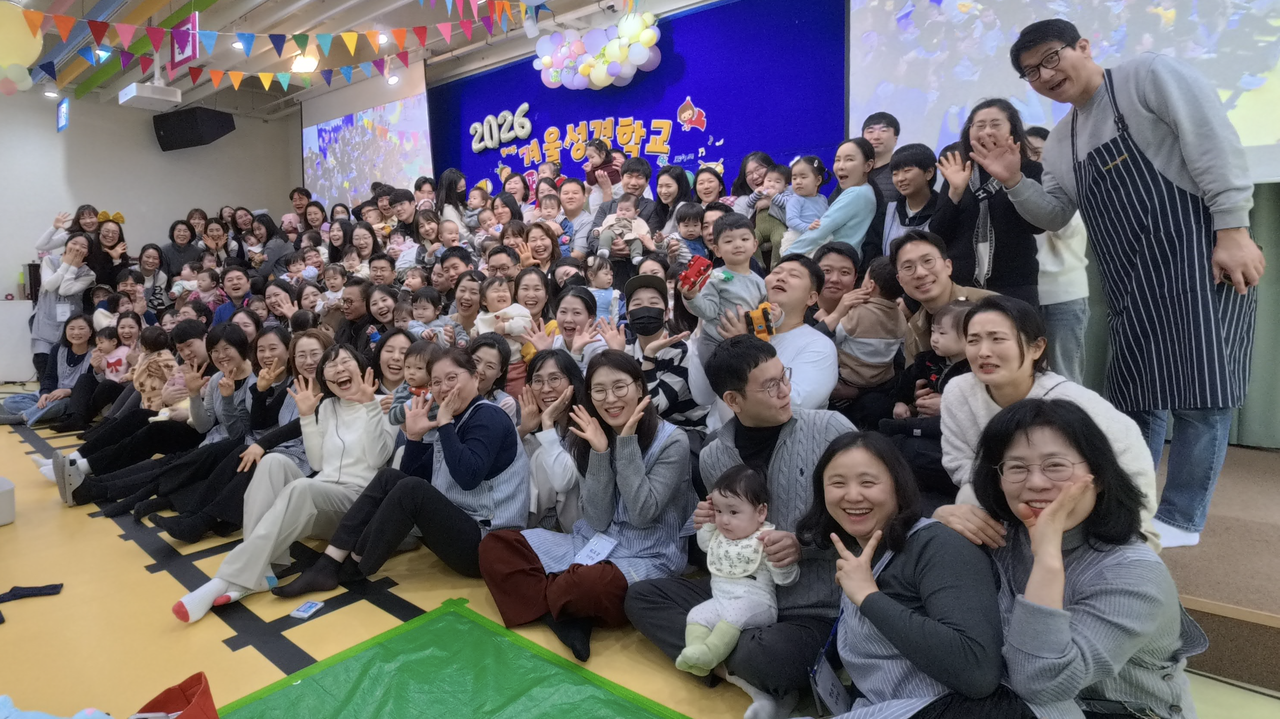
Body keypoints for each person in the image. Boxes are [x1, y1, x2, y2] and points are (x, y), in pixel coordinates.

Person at [988, 19, 1263, 546]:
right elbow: (1054, 215)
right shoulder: (1063, 139)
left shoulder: (1147, 76)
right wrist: (1014, 180)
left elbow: (1212, 141)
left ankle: (1182, 519)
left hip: (1198, 256)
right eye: (1031, 72)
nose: (1045, 75)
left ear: (1083, 47)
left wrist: (1233, 229)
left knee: (1203, 395)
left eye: (1051, 58)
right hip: (1130, 279)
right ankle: (1133, 504)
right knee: (1136, 397)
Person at [625, 336, 853, 717]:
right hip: (736, 593)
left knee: (766, 654)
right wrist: (713, 522)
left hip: (813, 609)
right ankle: (746, 676)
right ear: (733, 400)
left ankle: (734, 662)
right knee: (641, 597)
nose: (786, 391)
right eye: (770, 386)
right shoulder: (714, 456)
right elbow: (728, 536)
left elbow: (869, 517)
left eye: (784, 377)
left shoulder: (830, 430)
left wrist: (803, 546)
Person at [971, 399, 1206, 718]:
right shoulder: (1002, 535)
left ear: (1099, 475)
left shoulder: (1132, 573)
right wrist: (944, 527)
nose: (1036, 483)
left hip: (1127, 711)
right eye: (1017, 468)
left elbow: (1041, 683)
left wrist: (1047, 557)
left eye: (1055, 465)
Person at [794, 431, 1030, 717]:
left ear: (898, 485)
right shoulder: (859, 553)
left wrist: (869, 597)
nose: (853, 495)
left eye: (868, 482)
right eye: (837, 483)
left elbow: (977, 672)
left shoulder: (937, 545)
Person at [481, 350, 692, 662]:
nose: (610, 399)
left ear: (638, 387)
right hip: (591, 542)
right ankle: (563, 613)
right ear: (589, 394)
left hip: (649, 555)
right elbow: (596, 518)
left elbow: (641, 513)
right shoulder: (589, 433)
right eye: (599, 390)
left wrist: (626, 444)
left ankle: (552, 599)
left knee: (589, 584)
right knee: (495, 545)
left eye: (619, 387)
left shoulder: (672, 441)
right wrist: (600, 452)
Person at [271, 348, 528, 600]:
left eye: (452, 378)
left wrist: (444, 423)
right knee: (389, 478)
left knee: (411, 489)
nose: (444, 388)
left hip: (488, 544)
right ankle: (328, 563)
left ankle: (354, 566)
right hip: (462, 530)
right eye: (436, 382)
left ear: (475, 377)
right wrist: (414, 438)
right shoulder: (456, 419)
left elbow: (468, 477)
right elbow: (407, 480)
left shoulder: (488, 416)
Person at [173, 345, 396, 622]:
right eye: (331, 365)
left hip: (357, 504)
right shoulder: (327, 407)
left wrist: (370, 408)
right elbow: (317, 464)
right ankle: (266, 568)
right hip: (324, 492)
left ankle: (227, 578)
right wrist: (307, 417)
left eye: (346, 361)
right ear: (326, 381)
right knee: (272, 462)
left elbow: (377, 459)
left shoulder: (384, 404)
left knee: (304, 487)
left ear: (361, 367)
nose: (339, 368)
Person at [937, 295, 1158, 550]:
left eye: (997, 339)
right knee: (966, 501)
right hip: (1011, 499)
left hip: (1082, 509)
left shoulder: (1073, 403)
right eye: (973, 340)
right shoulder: (958, 391)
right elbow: (959, 461)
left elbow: (1134, 470)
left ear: (1036, 347)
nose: (984, 351)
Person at [676, 465, 798, 676]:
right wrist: (708, 523)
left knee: (735, 615)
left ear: (760, 512)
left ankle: (710, 654)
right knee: (696, 615)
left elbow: (785, 580)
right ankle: (695, 654)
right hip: (721, 602)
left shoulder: (766, 539)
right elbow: (705, 545)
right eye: (719, 511)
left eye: (733, 512)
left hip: (758, 605)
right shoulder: (720, 535)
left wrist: (781, 562)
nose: (724, 520)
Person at [932, 99, 1044, 307]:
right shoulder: (959, 170)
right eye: (980, 125)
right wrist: (955, 194)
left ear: (1012, 129)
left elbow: (1038, 226)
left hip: (1015, 283)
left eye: (995, 124)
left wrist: (1013, 181)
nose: (987, 131)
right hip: (962, 285)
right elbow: (938, 233)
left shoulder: (1029, 169)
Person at [1024, 126, 1090, 384]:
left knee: (1064, 376)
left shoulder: (1067, 186)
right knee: (1026, 377)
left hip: (1063, 295)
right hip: (1025, 294)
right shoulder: (1015, 192)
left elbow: (1064, 229)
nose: (1032, 161)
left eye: (1038, 153)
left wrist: (1039, 201)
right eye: (1025, 155)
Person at [891, 230, 994, 365]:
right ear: (899, 280)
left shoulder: (988, 307)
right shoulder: (914, 329)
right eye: (908, 267)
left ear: (948, 266)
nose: (920, 273)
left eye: (928, 261)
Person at [684, 214, 766, 365]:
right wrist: (692, 297)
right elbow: (708, 312)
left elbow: (765, 316)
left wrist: (777, 316)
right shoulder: (715, 277)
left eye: (744, 239)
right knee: (718, 373)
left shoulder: (760, 283)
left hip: (744, 342)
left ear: (755, 245)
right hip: (713, 340)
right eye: (728, 241)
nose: (738, 244)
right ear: (717, 250)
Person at [519, 348, 586, 531]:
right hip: (557, 523)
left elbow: (562, 482)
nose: (546, 388)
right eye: (537, 381)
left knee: (542, 456)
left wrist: (547, 420)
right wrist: (524, 429)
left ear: (572, 382)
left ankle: (518, 526)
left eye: (554, 379)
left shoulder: (585, 425)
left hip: (585, 530)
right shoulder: (554, 427)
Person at [788, 139, 879, 260]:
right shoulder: (866, 191)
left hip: (832, 261)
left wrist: (787, 255)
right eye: (837, 160)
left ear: (868, 165)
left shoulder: (857, 193)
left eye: (849, 159)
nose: (840, 166)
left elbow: (819, 231)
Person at [2, 314, 93, 427]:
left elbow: (92, 385)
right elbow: (49, 376)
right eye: (71, 328)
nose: (76, 332)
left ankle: (22, 417)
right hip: (53, 394)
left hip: (73, 398)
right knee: (9, 402)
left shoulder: (95, 353)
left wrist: (68, 391)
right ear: (65, 331)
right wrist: (45, 393)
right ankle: (47, 414)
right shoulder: (57, 349)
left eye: (81, 328)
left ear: (90, 332)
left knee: (61, 403)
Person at [31, 233, 96, 380]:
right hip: (45, 326)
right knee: (43, 365)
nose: (77, 248)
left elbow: (64, 290)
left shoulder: (88, 274)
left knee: (64, 372)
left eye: (83, 246)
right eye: (74, 243)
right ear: (66, 245)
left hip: (71, 328)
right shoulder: (49, 261)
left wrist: (72, 267)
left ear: (87, 253)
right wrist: (66, 264)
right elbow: (49, 285)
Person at [592, 158, 659, 288]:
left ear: (647, 182)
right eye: (629, 176)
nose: (633, 182)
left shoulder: (653, 207)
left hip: (638, 272)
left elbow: (653, 238)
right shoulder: (606, 206)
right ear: (621, 178)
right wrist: (606, 247)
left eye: (639, 177)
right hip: (607, 271)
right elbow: (592, 235)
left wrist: (628, 247)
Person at [880, 144, 940, 258]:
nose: (900, 178)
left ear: (929, 173)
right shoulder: (887, 211)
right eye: (895, 174)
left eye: (907, 171)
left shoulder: (943, 210)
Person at [862, 112, 902, 202]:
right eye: (870, 131)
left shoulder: (901, 173)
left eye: (883, 130)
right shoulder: (854, 172)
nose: (876, 137)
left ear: (895, 139)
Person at [559, 179, 595, 260]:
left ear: (584, 198)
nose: (570, 197)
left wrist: (549, 257)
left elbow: (578, 255)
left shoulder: (588, 221)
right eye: (565, 193)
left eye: (575, 193)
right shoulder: (553, 217)